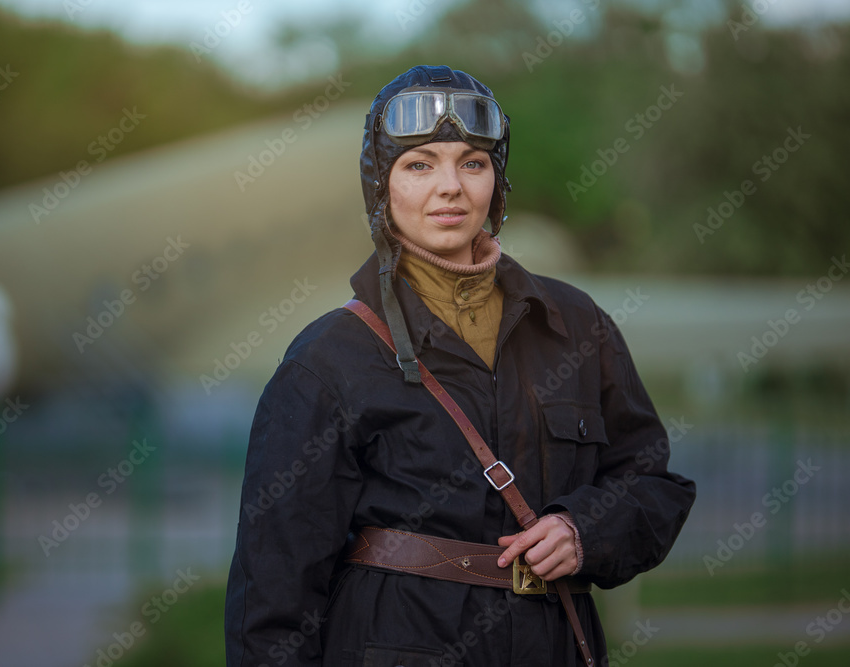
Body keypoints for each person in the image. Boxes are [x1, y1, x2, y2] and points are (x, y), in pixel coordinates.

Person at [225, 65, 695, 667]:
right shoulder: (327, 359)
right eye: (419, 165)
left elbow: (654, 485)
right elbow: (274, 591)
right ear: (381, 186)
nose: (451, 187)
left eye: (472, 163)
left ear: (496, 183)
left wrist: (586, 531)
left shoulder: (578, 326)